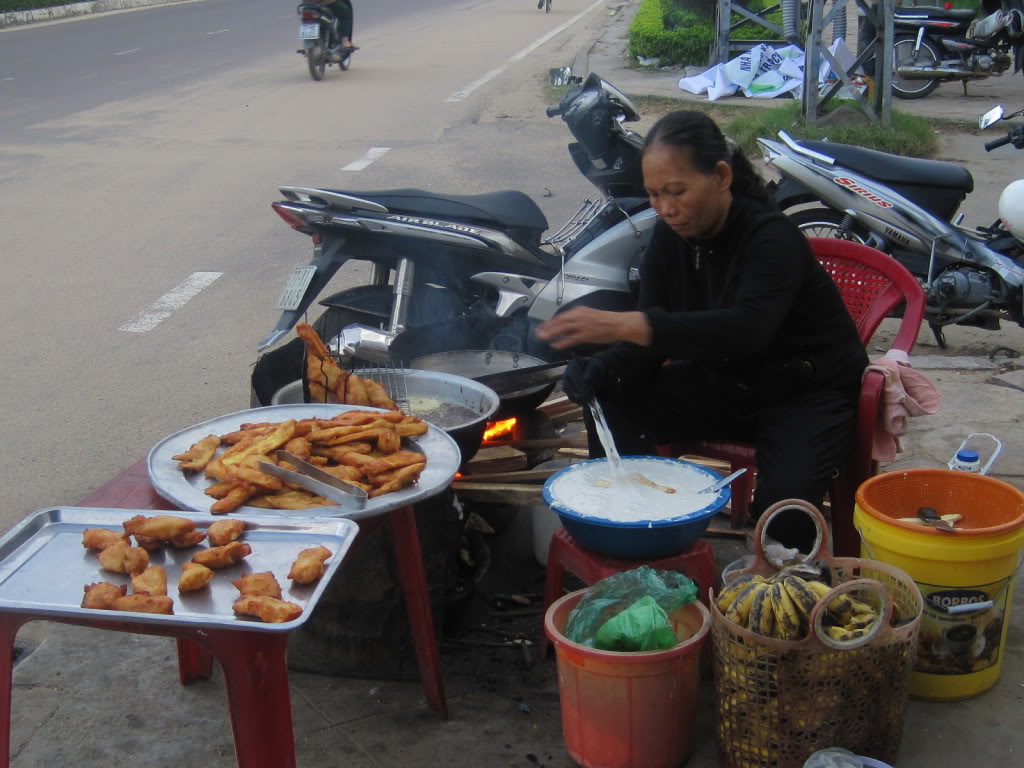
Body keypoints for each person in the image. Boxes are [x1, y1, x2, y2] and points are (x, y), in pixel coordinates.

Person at [535, 111, 868, 549]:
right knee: (614, 395)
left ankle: (789, 587)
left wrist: (628, 323)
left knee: (784, 513)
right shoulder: (669, 240)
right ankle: (632, 530)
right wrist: (601, 367)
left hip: (808, 389)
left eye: (677, 192)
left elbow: (746, 330)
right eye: (653, 195)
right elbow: (648, 348)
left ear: (722, 176)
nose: (665, 209)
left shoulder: (772, 237)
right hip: (731, 383)